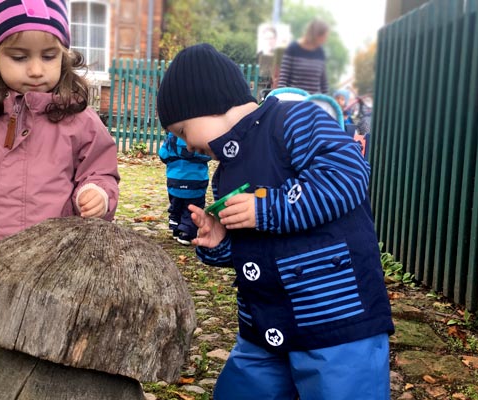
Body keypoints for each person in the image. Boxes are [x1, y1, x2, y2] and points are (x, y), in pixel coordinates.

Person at [157, 43, 393, 400]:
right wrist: (221, 242)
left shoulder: (294, 121)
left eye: (181, 130)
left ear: (204, 104)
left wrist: (267, 210)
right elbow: (253, 243)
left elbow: (347, 173)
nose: (185, 146)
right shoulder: (226, 173)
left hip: (336, 323)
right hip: (265, 324)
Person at [0, 0, 120, 308]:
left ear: (64, 54)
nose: (36, 69)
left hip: (54, 266)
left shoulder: (78, 118)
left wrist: (97, 192)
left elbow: (99, 168)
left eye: (49, 55)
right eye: (18, 56)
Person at [158, 132, 211, 245]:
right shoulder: (200, 136)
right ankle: (187, 232)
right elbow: (209, 155)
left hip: (175, 179)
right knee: (193, 206)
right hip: (196, 180)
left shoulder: (172, 136)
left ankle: (176, 226)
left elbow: (163, 155)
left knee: (176, 203)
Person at [277, 19, 329, 94]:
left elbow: (323, 82)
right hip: (294, 100)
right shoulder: (293, 48)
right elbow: (283, 79)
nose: (325, 40)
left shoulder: (320, 52)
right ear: (316, 35)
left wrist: (325, 100)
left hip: (313, 101)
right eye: (324, 37)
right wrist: (283, 98)